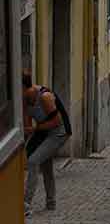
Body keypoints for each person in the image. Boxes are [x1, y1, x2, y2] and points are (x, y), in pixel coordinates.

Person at [22, 72, 71, 216]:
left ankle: (26, 203)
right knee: (45, 164)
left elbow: (56, 122)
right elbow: (27, 125)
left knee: (33, 161)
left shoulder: (44, 97)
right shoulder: (24, 100)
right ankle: (51, 203)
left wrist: (34, 129)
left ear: (25, 87)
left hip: (59, 132)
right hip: (44, 132)